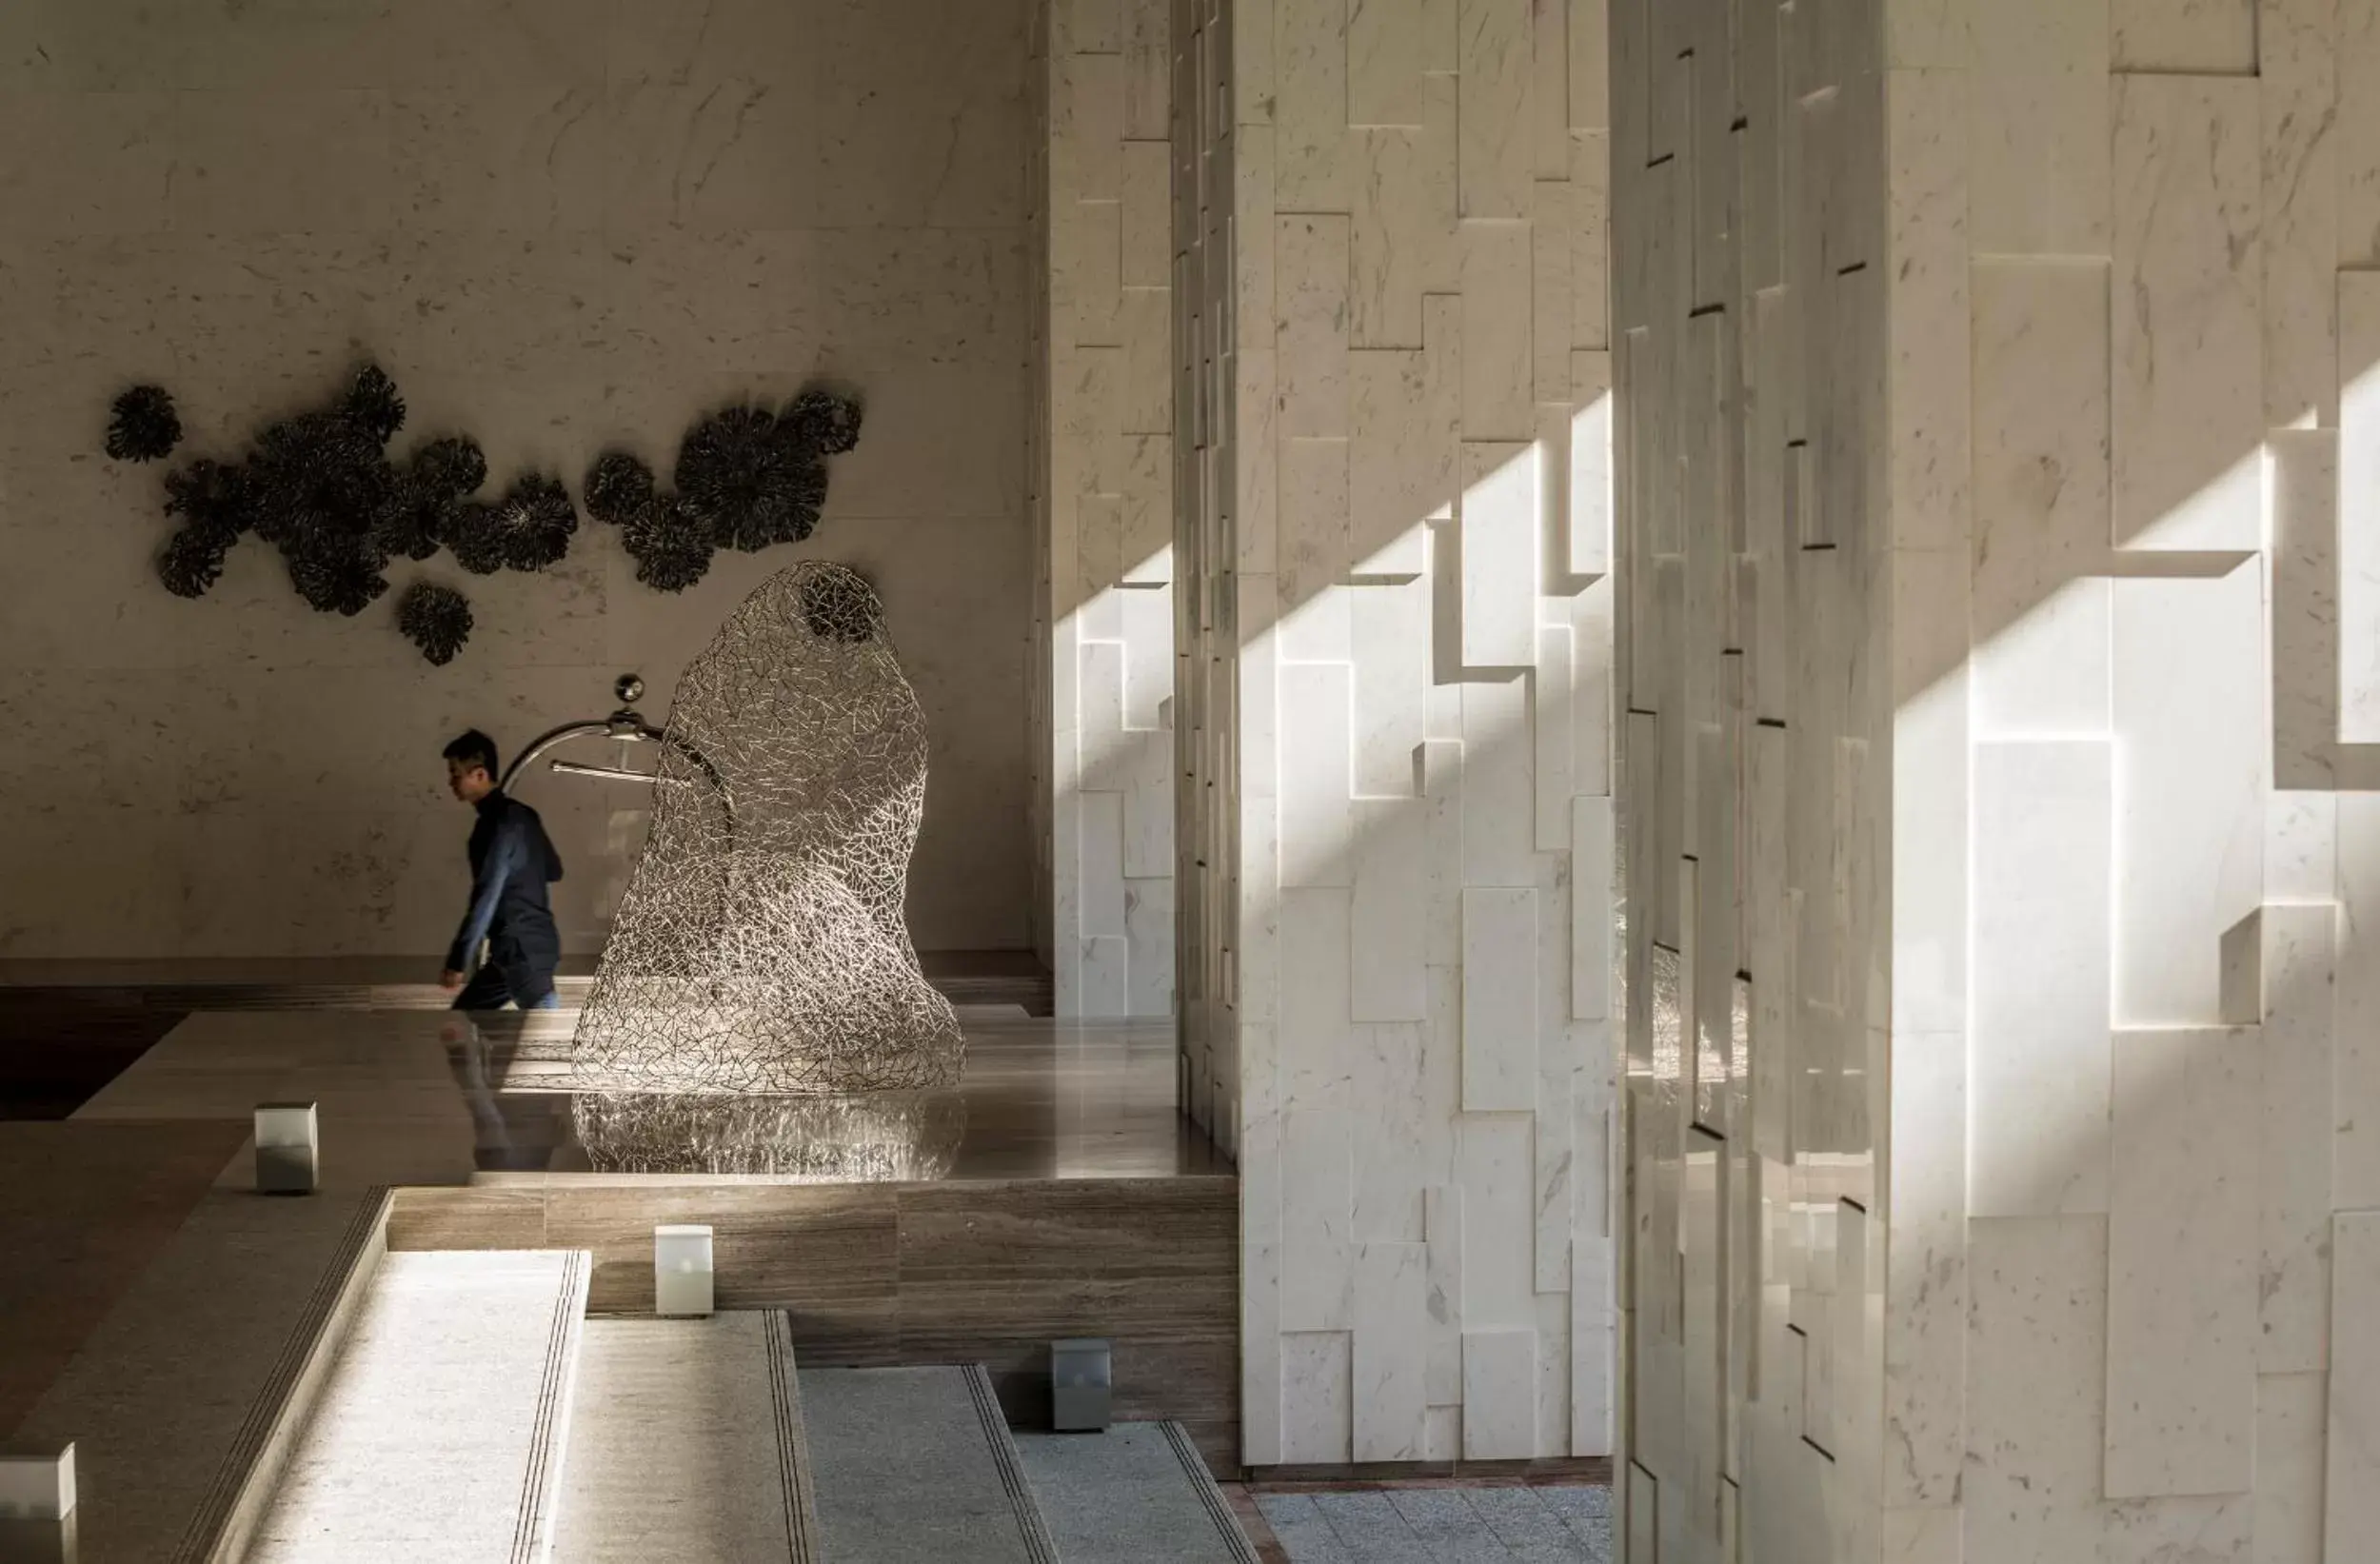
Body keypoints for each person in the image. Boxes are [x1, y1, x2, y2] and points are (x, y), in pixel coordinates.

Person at [440, 729, 565, 1011]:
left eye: (456, 774)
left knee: (547, 1042)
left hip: (520, 952)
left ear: (480, 775)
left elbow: (485, 897)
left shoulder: (494, 826)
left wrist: (457, 960)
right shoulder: (524, 815)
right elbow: (555, 870)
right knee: (463, 1018)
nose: (451, 782)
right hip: (533, 946)